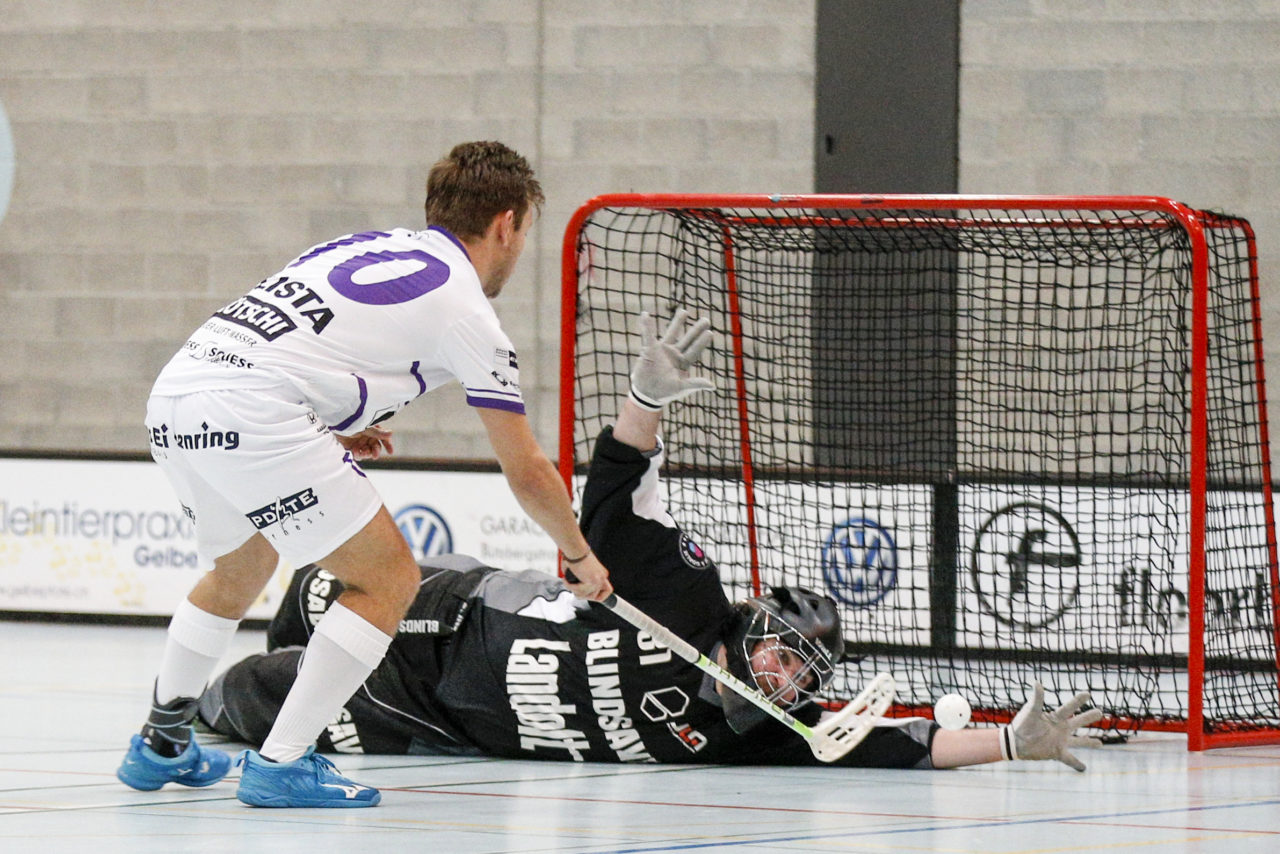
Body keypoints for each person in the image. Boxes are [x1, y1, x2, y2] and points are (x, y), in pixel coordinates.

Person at [196, 310, 1103, 772]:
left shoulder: (766, 732)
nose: (784, 682)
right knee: (300, 606)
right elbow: (616, 494)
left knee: (246, 696)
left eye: (799, 680)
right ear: (757, 627)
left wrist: (1010, 746)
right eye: (784, 659)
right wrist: (650, 401)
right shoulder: (680, 595)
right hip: (447, 606)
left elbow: (895, 750)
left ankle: (178, 718)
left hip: (429, 712)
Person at [116, 141, 613, 809]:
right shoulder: (468, 311)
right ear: (508, 223)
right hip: (253, 411)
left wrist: (323, 425)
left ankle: (161, 740)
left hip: (180, 391)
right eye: (525, 230)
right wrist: (579, 556)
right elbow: (525, 470)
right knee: (386, 579)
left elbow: (292, 339)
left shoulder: (360, 245)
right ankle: (281, 764)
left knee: (240, 568)